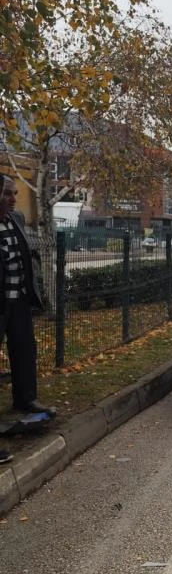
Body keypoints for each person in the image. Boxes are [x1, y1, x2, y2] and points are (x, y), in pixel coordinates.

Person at [0, 175, 55, 428]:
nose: (13, 199)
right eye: (7, 194)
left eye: (14, 193)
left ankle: (26, 399)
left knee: (24, 351)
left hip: (19, 302)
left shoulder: (17, 220)